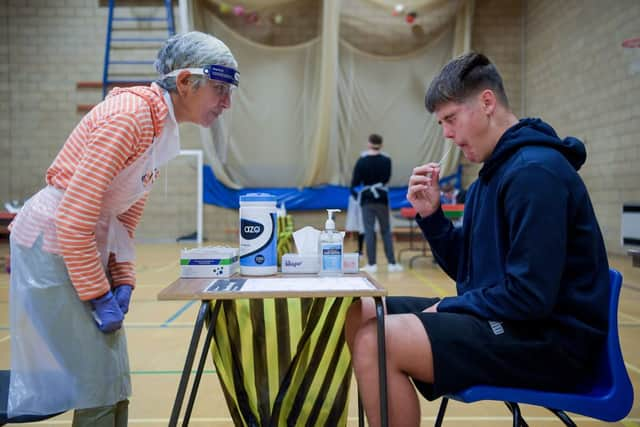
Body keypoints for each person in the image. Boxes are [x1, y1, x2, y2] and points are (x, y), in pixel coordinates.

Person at [345, 52, 609, 426]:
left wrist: (450, 308)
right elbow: (465, 269)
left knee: (378, 340)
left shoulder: (534, 172)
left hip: (550, 342)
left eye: (451, 119)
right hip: (511, 322)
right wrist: (431, 215)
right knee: (361, 311)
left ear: (487, 102)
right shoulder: (492, 173)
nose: (447, 135)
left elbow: (530, 297)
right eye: (442, 124)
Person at [7, 31, 238, 425]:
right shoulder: (130, 116)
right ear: (185, 82)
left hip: (79, 241)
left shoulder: (159, 125)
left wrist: (123, 275)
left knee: (116, 380)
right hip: (51, 244)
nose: (226, 102)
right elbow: (75, 217)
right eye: (219, 88)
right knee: (98, 383)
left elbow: (125, 217)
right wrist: (99, 294)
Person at [350, 134, 403, 273]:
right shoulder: (387, 160)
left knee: (369, 231)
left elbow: (354, 183)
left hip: (367, 199)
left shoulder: (361, 161)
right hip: (382, 198)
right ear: (381, 144)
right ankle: (392, 263)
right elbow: (386, 178)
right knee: (386, 230)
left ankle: (372, 264)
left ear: (369, 144)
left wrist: (357, 196)